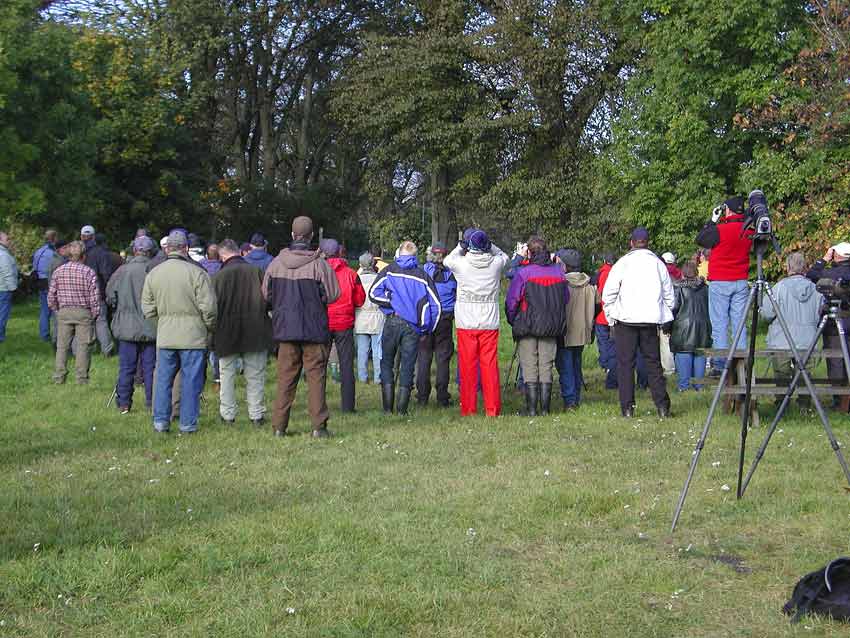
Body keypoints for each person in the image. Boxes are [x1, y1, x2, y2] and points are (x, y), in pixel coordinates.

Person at [263, 216, 340, 437]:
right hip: (314, 330)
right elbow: (333, 294)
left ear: (292, 235)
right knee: (316, 378)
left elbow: (265, 295)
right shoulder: (319, 265)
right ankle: (319, 427)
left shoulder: (276, 264)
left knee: (285, 379)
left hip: (285, 330)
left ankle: (279, 427)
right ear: (312, 236)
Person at [142, 231, 217, 434]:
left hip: (166, 336)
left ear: (167, 248)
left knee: (163, 381)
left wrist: (162, 323)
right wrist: (208, 326)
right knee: (191, 383)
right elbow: (209, 308)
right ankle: (187, 424)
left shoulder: (154, 273)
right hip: (193, 336)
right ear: (185, 248)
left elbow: (147, 308)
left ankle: (160, 422)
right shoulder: (197, 273)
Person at [602, 227, 674, 418]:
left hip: (625, 321)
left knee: (625, 365)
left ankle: (627, 408)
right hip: (650, 320)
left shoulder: (622, 263)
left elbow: (608, 294)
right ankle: (662, 407)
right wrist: (664, 316)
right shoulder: (658, 264)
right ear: (648, 242)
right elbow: (669, 296)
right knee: (653, 364)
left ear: (631, 243)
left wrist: (611, 317)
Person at [369, 240, 442, 415]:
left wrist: (391, 302)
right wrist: (427, 328)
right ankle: (402, 410)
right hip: (414, 327)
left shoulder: (389, 271)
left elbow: (373, 294)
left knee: (386, 363)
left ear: (399, 254)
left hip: (392, 321)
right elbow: (436, 306)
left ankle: (387, 409)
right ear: (415, 256)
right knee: (408, 366)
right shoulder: (423, 276)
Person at [443, 230, 509, 416]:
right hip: (489, 320)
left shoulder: (461, 264)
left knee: (468, 366)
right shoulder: (495, 264)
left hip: (466, 321)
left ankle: (469, 408)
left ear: (469, 246)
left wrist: (460, 245)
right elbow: (504, 255)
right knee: (489, 366)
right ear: (487, 246)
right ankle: (492, 409)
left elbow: (448, 259)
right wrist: (491, 245)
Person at [505, 236, 569, 416]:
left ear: (529, 253)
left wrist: (514, 320)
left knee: (529, 366)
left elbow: (512, 301)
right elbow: (566, 299)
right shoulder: (558, 273)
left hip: (528, 325)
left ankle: (532, 409)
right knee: (546, 365)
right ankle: (545, 410)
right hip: (551, 326)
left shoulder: (524, 273)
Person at [213, 239, 272, 426]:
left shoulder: (218, 277)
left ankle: (228, 414)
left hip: (226, 331)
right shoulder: (256, 272)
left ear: (222, 255)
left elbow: (211, 307)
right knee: (255, 375)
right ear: (239, 252)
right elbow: (269, 300)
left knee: (227, 375)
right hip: (255, 329)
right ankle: (256, 414)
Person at [696, 196, 753, 373]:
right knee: (739, 323)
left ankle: (721, 365)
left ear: (727, 210)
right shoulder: (749, 232)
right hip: (741, 281)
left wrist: (712, 220)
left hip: (721, 281)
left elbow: (701, 239)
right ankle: (741, 362)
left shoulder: (719, 230)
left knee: (720, 325)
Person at [761, 252, 823, 407]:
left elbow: (767, 315)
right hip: (808, 340)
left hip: (781, 340)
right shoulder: (816, 290)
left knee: (781, 375)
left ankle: (782, 404)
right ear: (805, 267)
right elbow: (821, 316)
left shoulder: (778, 288)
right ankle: (804, 405)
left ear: (788, 267)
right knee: (805, 375)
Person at [105, 236, 157, 413]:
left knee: (127, 367)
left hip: (126, 326)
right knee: (151, 368)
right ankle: (152, 402)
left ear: (134, 250)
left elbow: (110, 296)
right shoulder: (155, 270)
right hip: (151, 325)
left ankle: (124, 404)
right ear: (150, 251)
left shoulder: (122, 271)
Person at [321, 238, 366, 413]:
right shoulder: (351, 274)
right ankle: (348, 407)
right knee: (347, 365)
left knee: (319, 365)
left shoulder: (318, 272)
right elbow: (360, 299)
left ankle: (318, 404)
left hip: (323, 322)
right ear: (340, 252)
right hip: (344, 323)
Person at [47, 241, 100, 383]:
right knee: (83, 345)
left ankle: (59, 376)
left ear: (69, 255)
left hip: (64, 311)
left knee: (62, 346)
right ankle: (81, 377)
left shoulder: (59, 271)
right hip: (83, 312)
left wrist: (56, 309)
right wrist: (94, 313)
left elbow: (51, 295)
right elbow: (94, 297)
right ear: (83, 256)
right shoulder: (89, 272)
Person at [806, 242, 850, 409]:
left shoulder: (830, 274)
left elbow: (811, 275)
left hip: (835, 322)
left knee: (836, 359)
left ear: (837, 255)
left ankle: (839, 400)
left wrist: (824, 259)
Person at [417, 241, 457, 407]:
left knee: (424, 358)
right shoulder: (453, 274)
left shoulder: (422, 271)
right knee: (443, 358)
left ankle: (422, 396)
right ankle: (442, 396)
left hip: (426, 319)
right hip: (445, 319)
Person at [556, 249, 595, 410]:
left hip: (564, 332)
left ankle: (570, 401)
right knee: (575, 365)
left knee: (565, 368)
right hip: (582, 332)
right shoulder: (589, 285)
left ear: (564, 266)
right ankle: (575, 397)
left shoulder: (560, 284)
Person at [669, 260, 712, 392]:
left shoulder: (678, 288)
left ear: (682, 273)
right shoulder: (705, 288)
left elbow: (674, 307)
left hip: (683, 328)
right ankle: (698, 386)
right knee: (700, 354)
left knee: (683, 354)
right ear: (696, 272)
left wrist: (666, 326)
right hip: (703, 327)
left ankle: (684, 387)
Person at [80, 225, 116, 355]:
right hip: (98, 292)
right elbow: (106, 274)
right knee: (101, 321)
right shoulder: (101, 252)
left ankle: (85, 349)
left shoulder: (77, 252)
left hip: (81, 294)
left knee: (84, 322)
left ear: (81, 236)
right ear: (93, 237)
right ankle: (107, 348)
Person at [354, 253, 384, 384]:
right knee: (378, 350)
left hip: (361, 316)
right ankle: (378, 377)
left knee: (362, 350)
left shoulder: (356, 279)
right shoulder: (379, 279)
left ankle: (362, 377)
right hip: (377, 316)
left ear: (361, 265)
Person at [594, 253, 619, 390]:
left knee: (604, 343)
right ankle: (610, 367)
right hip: (614, 315)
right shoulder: (618, 273)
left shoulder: (602, 273)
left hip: (602, 315)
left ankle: (606, 366)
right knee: (613, 345)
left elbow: (600, 294)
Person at [32, 230, 57, 342]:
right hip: (50, 281)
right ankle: (56, 334)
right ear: (54, 238)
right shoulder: (53, 253)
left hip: (40, 281)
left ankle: (44, 334)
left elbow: (34, 267)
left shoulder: (38, 252)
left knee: (44, 309)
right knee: (55, 308)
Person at [0, 232, 19, 343]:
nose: (9, 241)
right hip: (4, 289)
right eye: (7, 239)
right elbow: (7, 273)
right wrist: (13, 288)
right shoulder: (3, 255)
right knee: (2, 314)